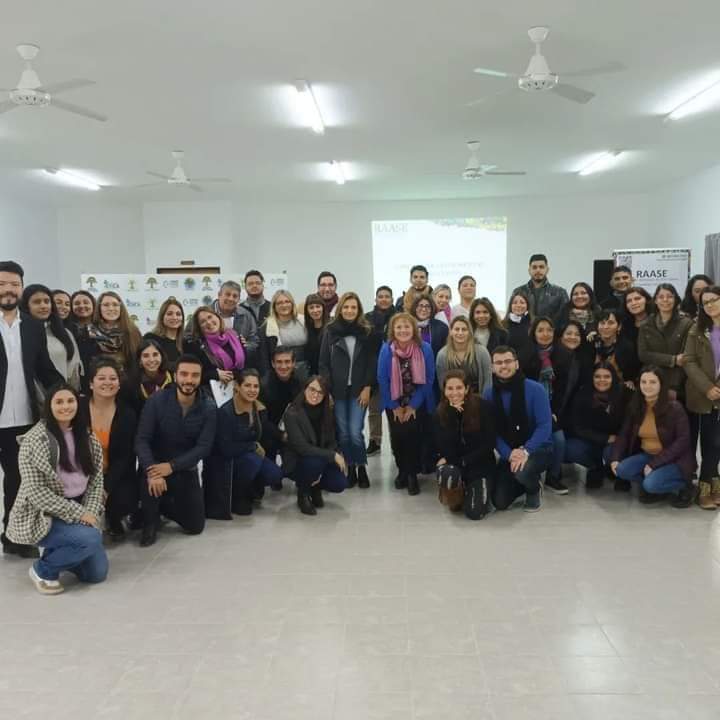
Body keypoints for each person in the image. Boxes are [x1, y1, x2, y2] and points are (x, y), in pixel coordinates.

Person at [8, 384, 107, 595]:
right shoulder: (34, 441)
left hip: (78, 508)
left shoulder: (87, 437)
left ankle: (63, 549)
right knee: (90, 539)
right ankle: (42, 570)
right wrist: (80, 514)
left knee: (96, 574)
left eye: (70, 401)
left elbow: (96, 480)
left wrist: (88, 512)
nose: (65, 407)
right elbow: (37, 493)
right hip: (45, 514)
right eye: (59, 402)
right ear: (49, 406)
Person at [0, 261, 63, 557]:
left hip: (23, 418)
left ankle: (13, 536)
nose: (8, 290)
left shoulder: (33, 326)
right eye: (2, 284)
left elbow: (45, 370)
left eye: (14, 284)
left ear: (21, 289)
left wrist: (67, 394)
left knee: (18, 479)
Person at [135, 354, 217, 546]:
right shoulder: (156, 401)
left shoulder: (209, 407)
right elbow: (142, 440)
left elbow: (203, 447)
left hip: (184, 469)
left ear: (200, 377)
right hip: (154, 468)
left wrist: (172, 466)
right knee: (147, 536)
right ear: (175, 375)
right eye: (184, 374)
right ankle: (150, 517)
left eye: (195, 375)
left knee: (195, 526)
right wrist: (152, 471)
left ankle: (160, 507)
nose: (189, 380)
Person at [611, 366, 695, 507]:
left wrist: (654, 464)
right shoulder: (636, 406)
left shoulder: (674, 408)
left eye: (653, 382)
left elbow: (683, 441)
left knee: (650, 485)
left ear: (661, 384)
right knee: (621, 470)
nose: (647, 386)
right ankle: (658, 486)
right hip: (648, 455)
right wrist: (615, 458)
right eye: (643, 382)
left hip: (675, 459)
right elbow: (624, 434)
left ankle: (686, 486)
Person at [484, 346, 553, 512]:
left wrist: (525, 450)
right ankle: (523, 480)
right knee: (500, 502)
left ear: (516, 364)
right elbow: (492, 431)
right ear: (492, 367)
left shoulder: (535, 389)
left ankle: (533, 488)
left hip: (538, 448)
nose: (503, 366)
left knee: (523, 470)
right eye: (498, 363)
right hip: (510, 451)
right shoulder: (489, 393)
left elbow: (545, 426)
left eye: (508, 361)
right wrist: (509, 454)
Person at [319, 292, 376, 488]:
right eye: (346, 307)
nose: (350, 310)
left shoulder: (366, 331)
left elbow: (371, 362)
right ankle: (350, 467)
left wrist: (368, 387)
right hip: (337, 391)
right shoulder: (330, 331)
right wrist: (327, 390)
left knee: (355, 431)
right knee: (343, 433)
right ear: (340, 309)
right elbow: (323, 363)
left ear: (358, 310)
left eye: (353, 307)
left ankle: (361, 467)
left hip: (359, 390)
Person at [377, 313, 436, 495]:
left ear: (414, 329)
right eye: (399, 327)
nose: (403, 330)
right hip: (394, 401)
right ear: (393, 330)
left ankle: (412, 475)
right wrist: (394, 406)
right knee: (397, 437)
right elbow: (382, 379)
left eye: (407, 326)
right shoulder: (387, 349)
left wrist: (412, 406)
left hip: (418, 401)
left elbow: (429, 379)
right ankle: (402, 470)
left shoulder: (425, 348)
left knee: (413, 437)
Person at [211, 369, 283, 516]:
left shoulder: (260, 408)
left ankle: (252, 488)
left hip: (250, 455)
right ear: (237, 386)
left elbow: (264, 433)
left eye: (256, 386)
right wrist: (252, 446)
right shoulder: (225, 412)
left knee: (275, 474)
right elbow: (225, 448)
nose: (252, 390)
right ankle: (237, 495)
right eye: (247, 385)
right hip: (229, 460)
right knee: (252, 461)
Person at [523, 316, 580, 494]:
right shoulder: (524, 354)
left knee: (559, 439)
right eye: (540, 330)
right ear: (533, 333)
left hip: (552, 408)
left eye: (549, 330)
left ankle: (553, 477)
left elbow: (563, 389)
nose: (545, 334)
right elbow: (522, 387)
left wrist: (554, 411)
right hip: (529, 407)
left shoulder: (564, 355)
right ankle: (527, 473)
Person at [433, 370, 497, 520]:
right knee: (448, 475)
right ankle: (457, 492)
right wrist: (452, 416)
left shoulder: (484, 407)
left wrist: (463, 461)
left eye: (459, 388)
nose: (454, 393)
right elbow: (444, 448)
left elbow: (489, 444)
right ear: (444, 390)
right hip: (455, 465)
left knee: (475, 513)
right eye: (450, 388)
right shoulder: (439, 413)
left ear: (467, 388)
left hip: (479, 465)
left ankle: (476, 489)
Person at [86, 358, 138, 540]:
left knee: (122, 501)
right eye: (101, 378)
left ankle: (114, 518)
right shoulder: (78, 409)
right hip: (84, 474)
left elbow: (124, 458)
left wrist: (105, 489)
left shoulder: (127, 415)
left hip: (114, 476)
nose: (107, 382)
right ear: (91, 384)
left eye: (113, 378)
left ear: (119, 384)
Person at [282, 376, 347, 515]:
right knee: (315, 463)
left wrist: (334, 453)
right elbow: (302, 448)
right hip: (298, 462)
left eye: (320, 392)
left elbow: (332, 441)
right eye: (312, 389)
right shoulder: (292, 413)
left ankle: (315, 487)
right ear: (304, 389)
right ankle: (303, 493)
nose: (315, 395)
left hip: (320, 460)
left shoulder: (327, 412)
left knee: (339, 483)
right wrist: (332, 455)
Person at [565, 362, 631, 488]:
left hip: (615, 442)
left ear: (613, 378)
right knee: (570, 449)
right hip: (590, 440)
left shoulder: (623, 394)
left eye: (607, 376)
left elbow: (628, 423)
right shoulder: (583, 394)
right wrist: (605, 438)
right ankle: (596, 468)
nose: (602, 380)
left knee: (610, 453)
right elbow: (577, 427)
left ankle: (617, 471)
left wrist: (616, 439)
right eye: (597, 376)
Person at [683, 284, 720, 510]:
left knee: (717, 443)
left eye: (714, 300)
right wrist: (707, 388)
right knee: (709, 441)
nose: (710, 305)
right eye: (705, 302)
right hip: (702, 395)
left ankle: (714, 484)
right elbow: (688, 360)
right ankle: (704, 489)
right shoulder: (697, 329)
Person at [20, 284, 82, 391]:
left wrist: (71, 394)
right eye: (37, 302)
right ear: (26, 305)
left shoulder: (65, 333)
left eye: (47, 301)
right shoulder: (18, 333)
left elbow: (73, 370)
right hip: (28, 394)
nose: (43, 306)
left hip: (60, 394)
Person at [638, 283, 692, 399]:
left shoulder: (686, 323)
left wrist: (675, 384)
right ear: (655, 300)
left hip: (677, 382)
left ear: (675, 299)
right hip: (651, 380)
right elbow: (643, 355)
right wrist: (672, 359)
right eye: (661, 297)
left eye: (669, 296)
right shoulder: (645, 325)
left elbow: (684, 357)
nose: (665, 300)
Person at [260, 347, 307, 467]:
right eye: (279, 362)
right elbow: (262, 420)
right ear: (273, 364)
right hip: (270, 434)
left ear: (294, 363)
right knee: (273, 474)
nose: (283, 366)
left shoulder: (301, 383)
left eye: (287, 362)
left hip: (293, 432)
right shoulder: (263, 386)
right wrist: (281, 435)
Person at [364, 286, 396, 456]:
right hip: (373, 368)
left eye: (387, 296)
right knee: (374, 409)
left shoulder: (398, 317)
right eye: (380, 296)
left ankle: (396, 441)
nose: (384, 299)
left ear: (392, 299)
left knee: (393, 408)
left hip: (394, 369)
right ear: (375, 299)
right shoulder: (367, 318)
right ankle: (375, 441)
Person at [187, 306, 246, 386]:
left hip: (238, 387)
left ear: (217, 317)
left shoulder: (235, 336)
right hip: (213, 390)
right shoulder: (197, 346)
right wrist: (215, 374)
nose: (208, 322)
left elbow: (245, 365)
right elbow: (195, 373)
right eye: (203, 321)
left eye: (210, 317)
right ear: (199, 328)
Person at [87, 291, 142, 374]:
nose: (111, 308)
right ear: (99, 308)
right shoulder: (89, 331)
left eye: (115, 305)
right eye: (106, 305)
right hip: (98, 379)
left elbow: (138, 361)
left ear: (121, 308)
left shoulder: (132, 331)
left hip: (128, 379)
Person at [436, 316, 492, 394]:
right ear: (451, 332)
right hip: (453, 396)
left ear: (469, 332)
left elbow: (488, 381)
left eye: (464, 329)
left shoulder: (482, 352)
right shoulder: (442, 354)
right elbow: (442, 384)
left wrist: (484, 399)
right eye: (457, 329)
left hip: (479, 396)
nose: (460, 333)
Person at [210, 280, 260, 368]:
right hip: (211, 367)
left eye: (235, 296)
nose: (231, 299)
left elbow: (255, 341)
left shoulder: (246, 315)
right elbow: (190, 337)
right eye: (227, 294)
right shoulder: (205, 313)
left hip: (239, 369)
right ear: (219, 295)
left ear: (238, 299)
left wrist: (245, 347)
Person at [258, 290, 308, 373]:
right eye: (279, 303)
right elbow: (264, 356)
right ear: (274, 306)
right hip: (280, 371)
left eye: (287, 302)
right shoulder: (267, 327)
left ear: (292, 304)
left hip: (305, 369)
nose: (284, 305)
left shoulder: (304, 321)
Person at [511, 254, 569, 325]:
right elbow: (511, 318)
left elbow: (565, 320)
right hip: (523, 331)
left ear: (547, 270)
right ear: (529, 270)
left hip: (551, 331)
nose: (538, 270)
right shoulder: (518, 291)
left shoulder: (560, 293)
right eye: (534, 267)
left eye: (541, 267)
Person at [590, 309, 640, 386]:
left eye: (610, 323)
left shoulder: (627, 347)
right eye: (602, 323)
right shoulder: (591, 343)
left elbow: (631, 375)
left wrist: (630, 381)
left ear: (619, 326)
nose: (606, 327)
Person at [126, 339, 174, 414]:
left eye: (155, 355)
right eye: (146, 356)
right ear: (140, 360)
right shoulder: (132, 384)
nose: (151, 360)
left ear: (161, 356)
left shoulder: (173, 375)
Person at [144, 297, 185, 370]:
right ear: (162, 317)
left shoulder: (186, 342)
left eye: (178, 314)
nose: (174, 317)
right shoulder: (150, 338)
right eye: (169, 314)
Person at [503, 290, 533, 367]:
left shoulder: (534, 323)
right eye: (515, 302)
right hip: (509, 367)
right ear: (510, 306)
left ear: (527, 305)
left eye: (522, 302)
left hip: (531, 366)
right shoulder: (503, 325)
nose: (518, 305)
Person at [303, 292, 329, 376]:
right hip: (312, 374)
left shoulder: (330, 327)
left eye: (318, 306)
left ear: (323, 307)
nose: (315, 310)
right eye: (311, 307)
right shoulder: (307, 328)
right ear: (307, 310)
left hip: (327, 374)